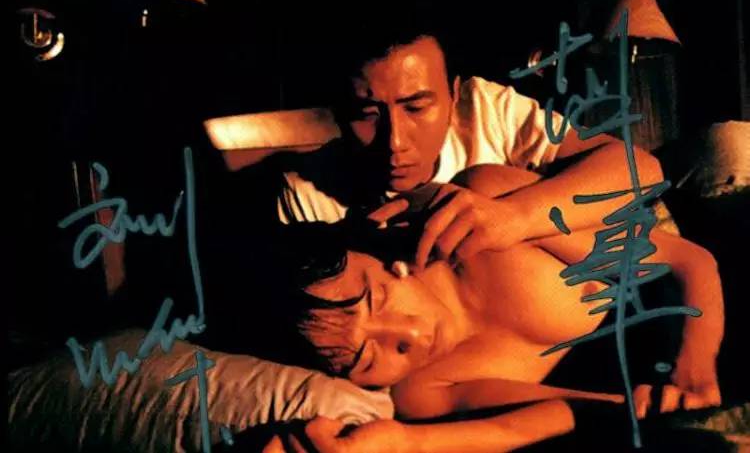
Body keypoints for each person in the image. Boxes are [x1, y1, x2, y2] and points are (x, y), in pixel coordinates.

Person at [262, 164, 724, 453]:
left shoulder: (486, 212)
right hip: (661, 389)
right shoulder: (418, 391)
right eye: (366, 359)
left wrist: (696, 372)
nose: (409, 337)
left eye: (379, 299)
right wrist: (405, 442)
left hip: (704, 306)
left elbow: (689, 262)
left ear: (387, 262)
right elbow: (548, 417)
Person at [274, 15, 665, 273]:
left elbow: (640, 170)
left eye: (416, 107)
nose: (394, 142)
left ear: (453, 94)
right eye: (367, 114)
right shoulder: (307, 195)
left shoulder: (484, 109)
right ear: (340, 111)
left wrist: (514, 216)